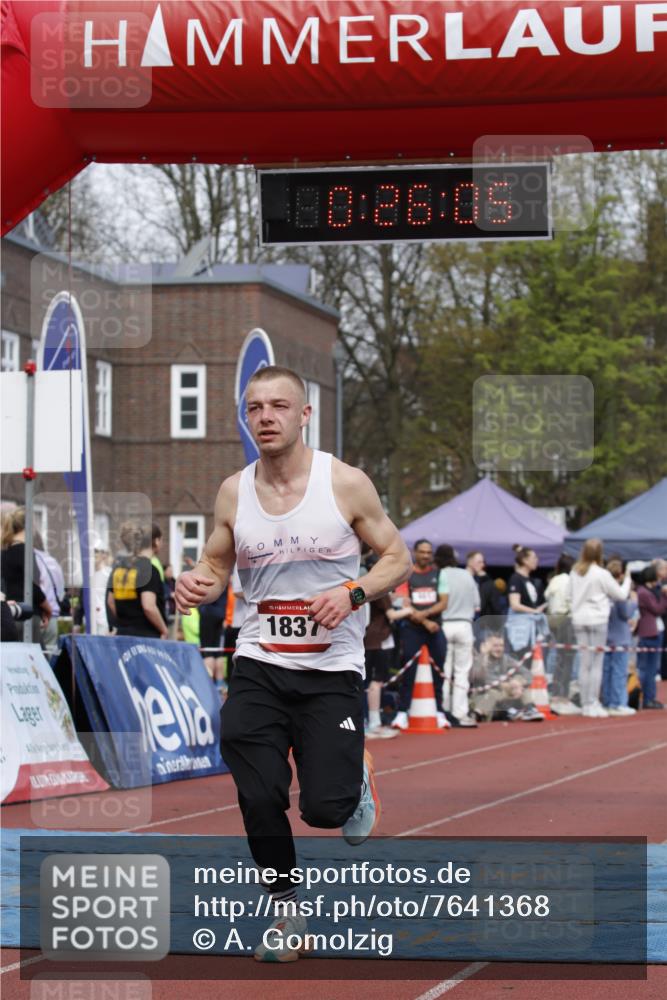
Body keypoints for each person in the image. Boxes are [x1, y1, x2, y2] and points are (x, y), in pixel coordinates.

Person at [174, 365, 410, 962]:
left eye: (279, 406)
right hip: (259, 660)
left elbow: (397, 557)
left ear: (305, 415)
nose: (266, 417)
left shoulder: (345, 483)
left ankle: (352, 771)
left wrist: (353, 593)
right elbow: (217, 561)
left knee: (324, 810)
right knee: (257, 791)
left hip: (331, 668)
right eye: (255, 408)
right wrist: (197, 582)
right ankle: (286, 912)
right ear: (245, 417)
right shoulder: (234, 490)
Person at [570, 539, 631, 718]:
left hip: (579, 618)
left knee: (584, 662)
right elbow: (620, 595)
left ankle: (585, 703)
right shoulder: (600, 573)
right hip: (597, 619)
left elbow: (569, 594)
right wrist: (627, 580)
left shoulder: (575, 572)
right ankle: (593, 702)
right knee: (596, 663)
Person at [392, 539, 448, 731]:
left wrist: (426, 615)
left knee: (439, 668)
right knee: (409, 669)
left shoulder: (439, 574)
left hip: (435, 629)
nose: (426, 555)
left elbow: (443, 602)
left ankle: (440, 711)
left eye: (429, 552)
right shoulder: (406, 575)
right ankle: (402, 712)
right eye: (422, 552)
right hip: (412, 629)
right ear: (415, 552)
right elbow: (405, 604)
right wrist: (425, 621)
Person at [432, 543, 480, 727]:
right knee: (462, 671)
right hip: (464, 624)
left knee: (444, 670)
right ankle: (460, 712)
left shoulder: (439, 575)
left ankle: (442, 711)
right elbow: (477, 602)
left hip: (444, 623)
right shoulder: (467, 575)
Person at [107, 523, 169, 639]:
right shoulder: (149, 570)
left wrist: (124, 622)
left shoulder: (118, 567)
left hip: (123, 634)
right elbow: (148, 606)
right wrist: (164, 629)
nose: (162, 544)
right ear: (156, 541)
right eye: (161, 540)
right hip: (146, 635)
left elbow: (111, 601)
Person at [469, 633, 543, 722]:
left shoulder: (505, 659)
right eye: (495, 646)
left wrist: (518, 682)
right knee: (493, 692)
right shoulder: (479, 659)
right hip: (484, 696)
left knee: (520, 683)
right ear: (486, 646)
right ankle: (482, 714)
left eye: (501, 646)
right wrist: (504, 684)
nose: (499, 649)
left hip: (503, 693)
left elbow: (527, 674)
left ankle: (530, 709)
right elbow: (481, 678)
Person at [0, 508, 50, 635]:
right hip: (26, 614)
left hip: (7, 614)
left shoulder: (3, 553)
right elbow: (33, 586)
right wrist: (48, 608)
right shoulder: (26, 552)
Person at [544, 553, 580, 715]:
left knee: (560, 657)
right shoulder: (569, 580)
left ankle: (557, 694)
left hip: (554, 620)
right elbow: (572, 599)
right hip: (566, 619)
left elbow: (546, 595)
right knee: (567, 658)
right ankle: (562, 696)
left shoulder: (555, 579)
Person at [601, 558, 637, 716]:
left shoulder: (605, 591)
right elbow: (626, 613)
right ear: (621, 575)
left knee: (608, 671)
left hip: (607, 636)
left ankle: (608, 701)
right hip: (620, 637)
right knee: (619, 672)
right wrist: (634, 602)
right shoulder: (619, 591)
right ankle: (618, 703)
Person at [505, 545, 548, 658]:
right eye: (533, 557)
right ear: (524, 560)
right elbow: (514, 604)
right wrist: (534, 611)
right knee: (521, 657)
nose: (536, 560)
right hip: (521, 627)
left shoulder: (531, 580)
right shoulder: (516, 578)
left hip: (531, 627)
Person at [635, 563, 667, 709]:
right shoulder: (644, 593)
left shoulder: (649, 591)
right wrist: (665, 597)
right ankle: (647, 698)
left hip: (654, 631)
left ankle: (650, 697)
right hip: (649, 633)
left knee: (652, 668)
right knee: (648, 668)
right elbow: (657, 608)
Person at [33, 530, 66, 653]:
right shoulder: (52, 561)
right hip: (53, 618)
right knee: (49, 658)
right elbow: (61, 593)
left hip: (38, 615)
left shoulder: (31, 558)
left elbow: (34, 587)